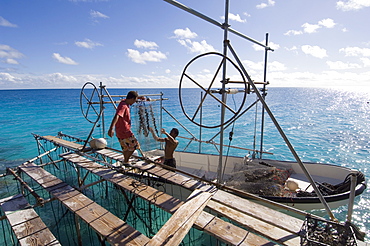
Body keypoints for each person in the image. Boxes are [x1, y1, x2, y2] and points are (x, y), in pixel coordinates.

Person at [108, 91, 143, 163]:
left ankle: (125, 161)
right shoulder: (123, 106)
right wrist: (111, 128)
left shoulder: (124, 102)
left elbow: (129, 99)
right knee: (135, 146)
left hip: (119, 131)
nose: (134, 102)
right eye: (135, 100)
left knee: (125, 147)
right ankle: (126, 161)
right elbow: (117, 116)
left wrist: (139, 98)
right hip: (125, 131)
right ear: (132, 99)